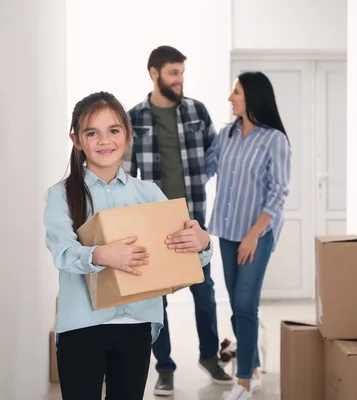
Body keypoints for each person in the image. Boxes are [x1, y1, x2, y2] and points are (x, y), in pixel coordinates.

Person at [44, 91, 213, 400]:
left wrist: (201, 243)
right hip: (82, 326)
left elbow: (182, 259)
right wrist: (102, 254)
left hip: (137, 324)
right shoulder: (61, 195)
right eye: (92, 132)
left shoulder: (148, 194)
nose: (104, 140)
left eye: (114, 130)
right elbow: (62, 252)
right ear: (77, 140)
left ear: (127, 134)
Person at [125, 45, 233, 396]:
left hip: (193, 221)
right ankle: (165, 368)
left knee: (205, 292)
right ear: (154, 74)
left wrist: (200, 181)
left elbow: (214, 155)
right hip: (155, 224)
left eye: (182, 72)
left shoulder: (196, 112)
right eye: (173, 73)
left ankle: (209, 357)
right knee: (158, 299)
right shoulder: (134, 118)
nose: (180, 80)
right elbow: (127, 174)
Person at [205, 71, 292, 400]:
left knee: (244, 303)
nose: (230, 98)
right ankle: (253, 366)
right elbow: (207, 168)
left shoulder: (275, 140)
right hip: (227, 232)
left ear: (253, 97)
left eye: (236, 92)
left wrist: (254, 235)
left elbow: (278, 193)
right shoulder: (226, 135)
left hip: (257, 234)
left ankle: (243, 381)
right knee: (239, 305)